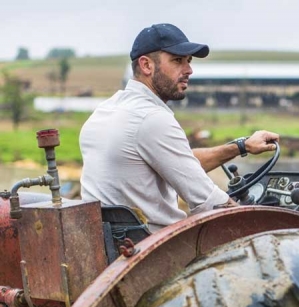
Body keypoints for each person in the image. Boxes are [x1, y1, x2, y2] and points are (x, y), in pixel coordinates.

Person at [80, 23, 279, 232]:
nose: (189, 70)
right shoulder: (152, 119)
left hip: (111, 245)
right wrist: (262, 228)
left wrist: (242, 146)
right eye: (177, 61)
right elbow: (209, 202)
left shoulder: (104, 111)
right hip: (155, 249)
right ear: (147, 65)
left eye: (189, 61)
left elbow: (181, 163)